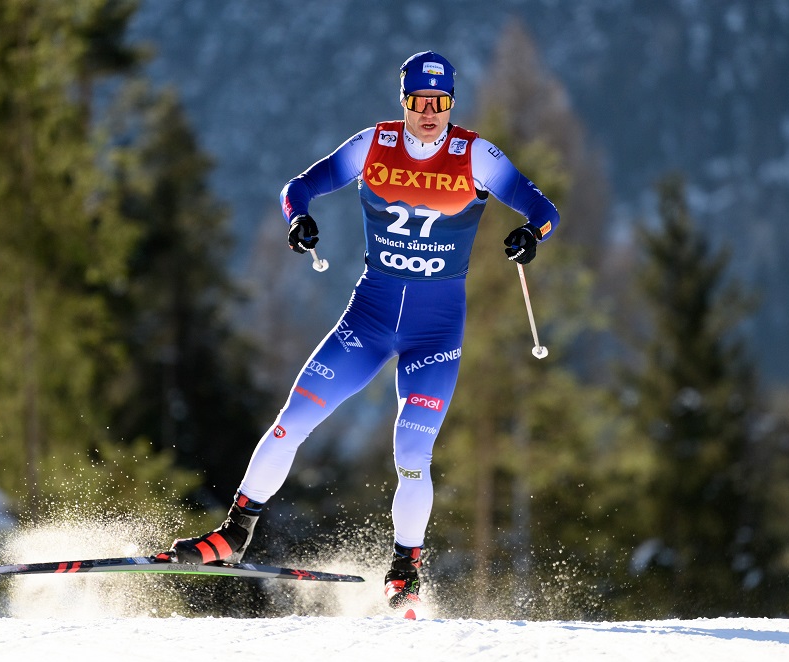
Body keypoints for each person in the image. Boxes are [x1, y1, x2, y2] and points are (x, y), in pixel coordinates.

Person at [160, 51, 559, 609]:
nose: (429, 113)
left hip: (435, 336)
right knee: (290, 423)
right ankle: (234, 534)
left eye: (440, 103)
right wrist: (297, 220)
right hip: (367, 323)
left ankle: (405, 568)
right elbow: (297, 187)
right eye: (419, 101)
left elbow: (543, 208)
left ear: (450, 105)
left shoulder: (477, 156)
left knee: (412, 453)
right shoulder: (373, 145)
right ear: (404, 101)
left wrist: (531, 235)